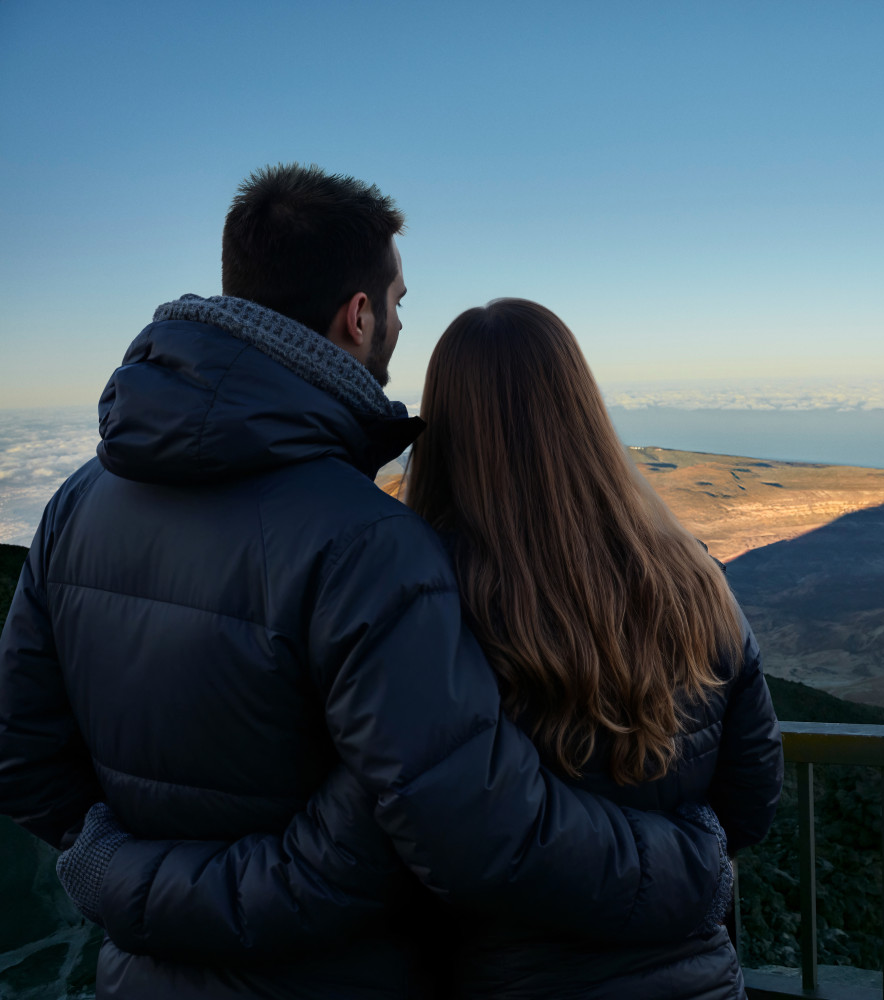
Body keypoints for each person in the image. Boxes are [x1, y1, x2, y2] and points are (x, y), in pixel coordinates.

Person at [0, 165, 731, 999]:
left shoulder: (73, 506)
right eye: (398, 302)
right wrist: (690, 867)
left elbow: (23, 755)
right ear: (358, 316)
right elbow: (439, 822)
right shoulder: (369, 541)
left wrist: (119, 875)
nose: (395, 322)